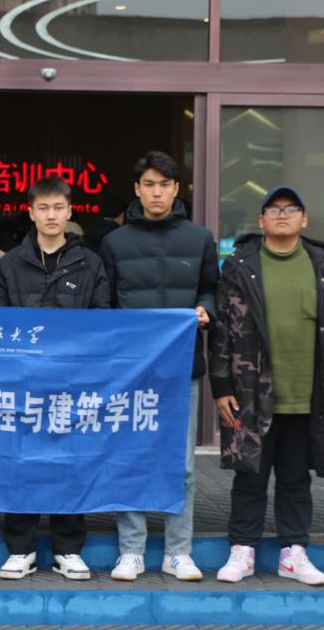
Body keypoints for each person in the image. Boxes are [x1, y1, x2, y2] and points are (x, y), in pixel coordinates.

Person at [209, 185, 324, 586]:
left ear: (304, 219)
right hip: (250, 392)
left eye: (291, 209)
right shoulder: (239, 267)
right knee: (249, 476)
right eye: (273, 209)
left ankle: (294, 552)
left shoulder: (323, 266)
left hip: (307, 393)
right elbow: (221, 329)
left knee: (295, 478)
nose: (282, 215)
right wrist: (221, 385)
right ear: (261, 220)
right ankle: (242, 550)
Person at [99, 150, 217, 582]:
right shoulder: (115, 243)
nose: (156, 192)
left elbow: (210, 289)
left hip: (181, 368)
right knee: (129, 457)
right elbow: (105, 303)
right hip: (131, 371)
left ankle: (178, 552)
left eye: (164, 185)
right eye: (149, 184)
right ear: (137, 189)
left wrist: (206, 310)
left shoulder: (199, 239)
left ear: (176, 189)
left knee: (180, 465)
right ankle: (131, 551)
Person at [0, 176, 110, 580]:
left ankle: (68, 549)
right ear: (31, 213)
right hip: (23, 382)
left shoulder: (90, 263)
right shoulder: (10, 265)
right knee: (20, 463)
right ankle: (19, 549)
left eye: (58, 207)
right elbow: (0, 328)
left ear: (70, 211)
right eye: (43, 208)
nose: (51, 215)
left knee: (70, 464)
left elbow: (101, 322)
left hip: (72, 384)